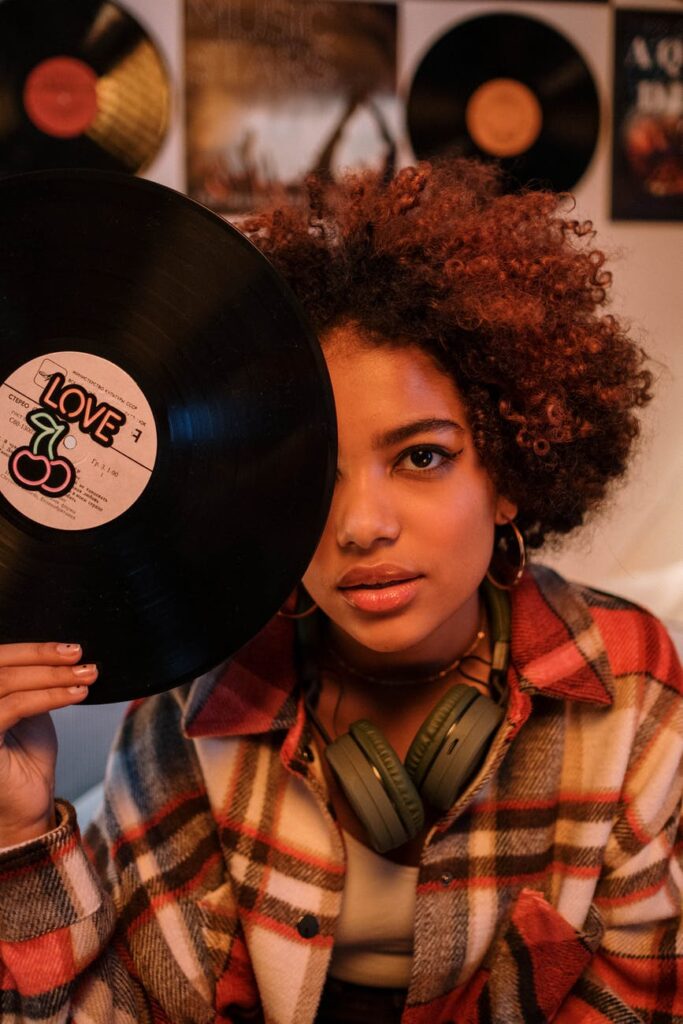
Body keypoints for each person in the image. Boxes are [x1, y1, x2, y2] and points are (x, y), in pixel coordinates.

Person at [0, 161, 681, 1024]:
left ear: (509, 474)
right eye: (313, 475)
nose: (360, 525)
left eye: (422, 457)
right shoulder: (191, 699)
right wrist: (19, 833)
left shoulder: (629, 682)